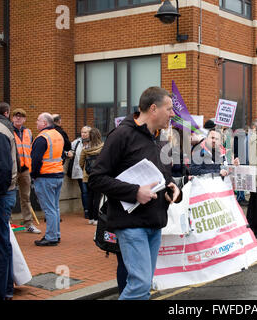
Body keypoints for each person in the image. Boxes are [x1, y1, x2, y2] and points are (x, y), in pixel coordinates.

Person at [88, 86, 182, 300]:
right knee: (139, 285)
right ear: (153, 108)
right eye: (169, 109)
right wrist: (134, 192)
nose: (172, 114)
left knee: (144, 284)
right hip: (131, 224)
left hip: (154, 223)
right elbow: (96, 178)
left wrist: (174, 190)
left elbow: (164, 177)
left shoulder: (159, 138)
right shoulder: (122, 134)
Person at [0, 100, 18, 300]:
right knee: (2, 241)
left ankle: (0, 292)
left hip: (0, 193)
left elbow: (4, 170)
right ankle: (5, 288)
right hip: (3, 192)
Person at [31, 112, 65, 246]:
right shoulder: (58, 135)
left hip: (45, 177)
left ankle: (51, 237)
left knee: (49, 209)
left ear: (45, 123)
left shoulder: (42, 138)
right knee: (55, 207)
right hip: (57, 175)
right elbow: (62, 155)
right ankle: (55, 234)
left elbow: (36, 160)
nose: (36, 123)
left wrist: (33, 175)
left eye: (38, 120)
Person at [11, 108, 41, 234]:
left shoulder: (28, 132)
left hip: (25, 170)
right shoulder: (8, 131)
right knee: (9, 197)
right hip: (12, 169)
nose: (18, 118)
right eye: (16, 116)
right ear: (12, 118)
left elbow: (31, 151)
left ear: (25, 119)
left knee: (26, 198)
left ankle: (28, 224)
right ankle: (8, 223)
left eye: (21, 116)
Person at [79, 127, 103, 225]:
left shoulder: (85, 149)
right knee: (97, 197)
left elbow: (81, 163)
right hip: (99, 175)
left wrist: (86, 171)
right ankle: (96, 218)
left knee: (89, 196)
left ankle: (90, 218)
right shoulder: (103, 147)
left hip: (88, 176)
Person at [67, 126, 91, 219]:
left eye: (85, 132)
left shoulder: (94, 142)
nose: (83, 134)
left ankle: (92, 209)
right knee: (84, 191)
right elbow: (68, 150)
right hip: (80, 172)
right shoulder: (76, 142)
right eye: (82, 132)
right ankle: (86, 210)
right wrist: (69, 153)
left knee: (91, 192)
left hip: (91, 172)